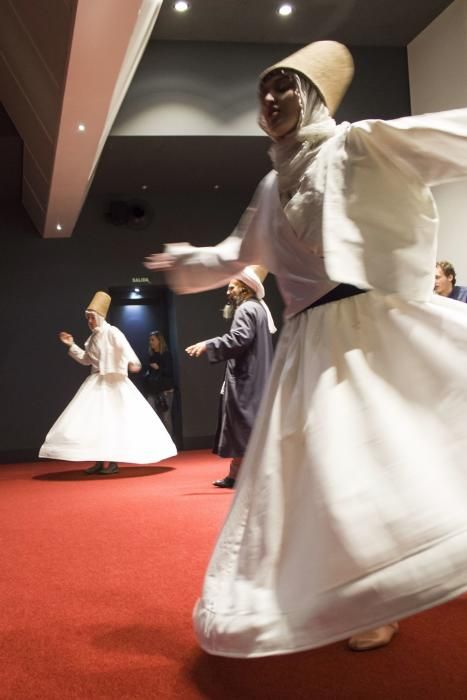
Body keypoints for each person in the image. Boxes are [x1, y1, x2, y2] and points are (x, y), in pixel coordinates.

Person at [145, 41, 467, 657]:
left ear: (313, 95)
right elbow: (236, 255)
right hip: (311, 342)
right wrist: (184, 262)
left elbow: (447, 137)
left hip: (376, 324)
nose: (269, 101)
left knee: (405, 443)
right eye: (263, 93)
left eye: (284, 88)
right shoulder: (271, 185)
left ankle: (399, 579)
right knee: (329, 468)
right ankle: (370, 598)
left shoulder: (359, 145)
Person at [39, 291, 177, 474]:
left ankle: (111, 462)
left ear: (100, 317)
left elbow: (126, 350)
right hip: (97, 381)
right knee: (97, 421)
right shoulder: (92, 338)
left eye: (92, 318)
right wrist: (71, 345)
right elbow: (86, 359)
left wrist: (133, 363)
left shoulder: (112, 332)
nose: (90, 321)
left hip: (113, 381)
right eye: (87, 318)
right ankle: (99, 460)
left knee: (112, 420)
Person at [185, 265, 276, 488]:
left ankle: (251, 476)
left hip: (247, 378)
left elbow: (239, 338)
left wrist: (208, 344)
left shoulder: (246, 309)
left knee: (245, 427)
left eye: (231, 286)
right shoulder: (259, 309)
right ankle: (237, 475)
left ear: (244, 287)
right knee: (248, 427)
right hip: (256, 376)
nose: (228, 291)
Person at [144, 330, 175, 436]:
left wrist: (158, 368)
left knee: (166, 417)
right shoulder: (151, 355)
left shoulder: (166, 354)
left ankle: (170, 443)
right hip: (153, 390)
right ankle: (158, 443)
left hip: (165, 390)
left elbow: (169, 372)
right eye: (150, 340)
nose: (151, 342)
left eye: (153, 340)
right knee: (152, 416)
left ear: (159, 341)